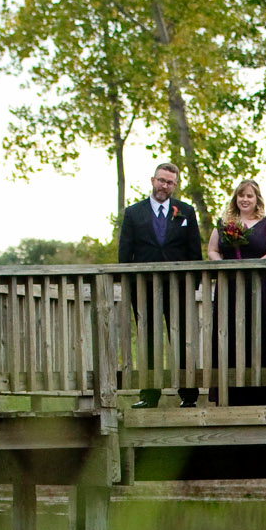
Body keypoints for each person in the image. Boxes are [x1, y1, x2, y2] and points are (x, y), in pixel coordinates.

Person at [117, 161, 203, 408]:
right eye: (161, 180)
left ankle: (188, 395)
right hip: (144, 289)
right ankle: (149, 395)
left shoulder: (185, 212)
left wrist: (192, 285)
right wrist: (130, 286)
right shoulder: (134, 213)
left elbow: (193, 252)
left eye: (169, 182)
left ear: (175, 185)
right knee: (148, 340)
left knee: (183, 339)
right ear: (152, 180)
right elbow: (125, 254)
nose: (164, 185)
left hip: (179, 288)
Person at [207, 179, 266, 399]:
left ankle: (265, 391)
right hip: (230, 286)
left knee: (262, 330)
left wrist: (254, 265)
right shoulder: (224, 223)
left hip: (261, 286)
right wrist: (222, 263)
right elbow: (212, 250)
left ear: (257, 199)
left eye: (249, 196)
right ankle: (230, 390)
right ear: (235, 198)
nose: (245, 199)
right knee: (229, 332)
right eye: (241, 195)